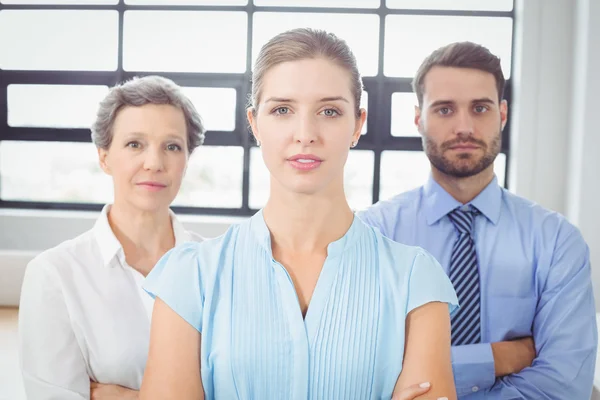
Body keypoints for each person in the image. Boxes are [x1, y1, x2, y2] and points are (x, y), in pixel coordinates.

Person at [139, 28, 458, 400]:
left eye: (329, 111)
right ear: (255, 123)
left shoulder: (415, 281)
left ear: (357, 124)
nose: (305, 133)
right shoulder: (190, 277)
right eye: (282, 110)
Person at [359, 41, 598, 399]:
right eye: (444, 110)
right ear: (418, 118)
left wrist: (424, 369)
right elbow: (364, 372)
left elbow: (564, 385)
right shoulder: (374, 233)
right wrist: (496, 357)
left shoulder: (556, 241)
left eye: (480, 108)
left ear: (502, 114)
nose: (464, 127)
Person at [18, 75, 206, 399]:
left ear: (186, 161)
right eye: (135, 144)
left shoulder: (217, 266)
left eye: (172, 146)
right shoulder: (55, 275)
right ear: (104, 157)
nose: (154, 162)